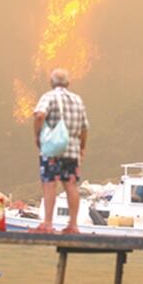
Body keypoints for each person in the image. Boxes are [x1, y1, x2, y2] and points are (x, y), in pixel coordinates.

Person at [30, 68, 89, 234]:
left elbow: (40, 115)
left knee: (50, 183)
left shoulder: (48, 97)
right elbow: (84, 128)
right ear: (68, 83)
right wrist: (82, 147)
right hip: (72, 151)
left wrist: (37, 136)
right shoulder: (77, 100)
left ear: (51, 82)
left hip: (52, 149)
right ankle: (73, 225)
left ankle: (48, 224)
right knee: (71, 185)